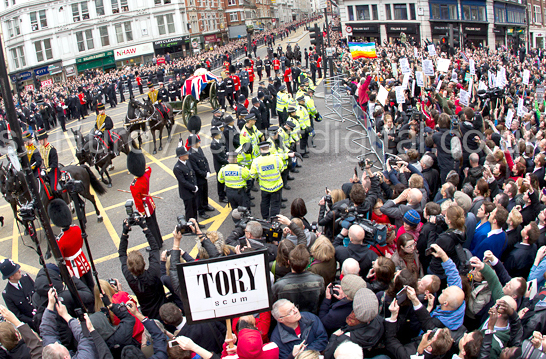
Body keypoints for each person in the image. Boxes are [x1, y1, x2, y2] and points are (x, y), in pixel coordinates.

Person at [118, 215, 166, 320]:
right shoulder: (153, 272)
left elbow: (122, 254)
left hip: (147, 313)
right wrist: (145, 227)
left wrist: (124, 233)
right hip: (164, 308)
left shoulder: (130, 278)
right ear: (144, 262)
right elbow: (154, 248)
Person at [48, 199, 94, 292]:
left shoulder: (59, 240)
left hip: (73, 269)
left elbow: (61, 258)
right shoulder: (76, 228)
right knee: (91, 286)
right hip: (83, 262)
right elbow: (80, 244)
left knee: (82, 291)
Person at [272, 244, 325, 315]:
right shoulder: (319, 281)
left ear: (288, 262)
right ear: (308, 262)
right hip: (312, 318)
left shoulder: (279, 286)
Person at [250, 141, 285, 219]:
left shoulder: (256, 161)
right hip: (277, 186)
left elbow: (252, 174)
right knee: (275, 204)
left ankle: (265, 218)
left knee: (265, 203)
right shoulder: (276, 158)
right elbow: (282, 169)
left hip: (264, 187)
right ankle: (273, 220)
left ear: (261, 149)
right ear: (269, 148)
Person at [0, 259, 36, 329]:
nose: (20, 271)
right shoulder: (7, 294)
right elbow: (18, 315)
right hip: (33, 323)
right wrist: (33, 321)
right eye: (17, 271)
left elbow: (38, 293)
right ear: (11, 277)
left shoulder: (26, 278)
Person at [173, 146, 202, 227]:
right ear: (181, 156)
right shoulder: (177, 168)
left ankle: (196, 224)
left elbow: (193, 174)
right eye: (186, 154)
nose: (188, 155)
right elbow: (183, 182)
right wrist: (193, 188)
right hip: (186, 193)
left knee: (194, 208)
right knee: (189, 211)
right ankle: (190, 227)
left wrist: (195, 185)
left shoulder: (187, 162)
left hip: (193, 190)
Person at [187, 134, 215, 219]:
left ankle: (206, 205)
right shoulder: (191, 154)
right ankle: (201, 211)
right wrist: (204, 174)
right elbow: (195, 168)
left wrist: (208, 171)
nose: (199, 142)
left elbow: (205, 160)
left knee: (205, 193)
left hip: (204, 176)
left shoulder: (199, 149)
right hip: (199, 178)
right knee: (199, 196)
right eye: (197, 142)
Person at [36, 128, 60, 194]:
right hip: (44, 171)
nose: (39, 142)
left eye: (40, 140)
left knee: (53, 190)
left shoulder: (51, 149)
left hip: (53, 171)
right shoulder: (41, 148)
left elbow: (54, 164)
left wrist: (46, 170)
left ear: (44, 139)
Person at [210, 126, 229, 203]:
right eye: (219, 134)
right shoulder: (214, 145)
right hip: (219, 165)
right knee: (220, 181)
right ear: (215, 136)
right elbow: (218, 158)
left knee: (223, 180)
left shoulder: (219, 141)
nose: (220, 134)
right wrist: (227, 161)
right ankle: (221, 196)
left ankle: (224, 193)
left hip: (223, 163)